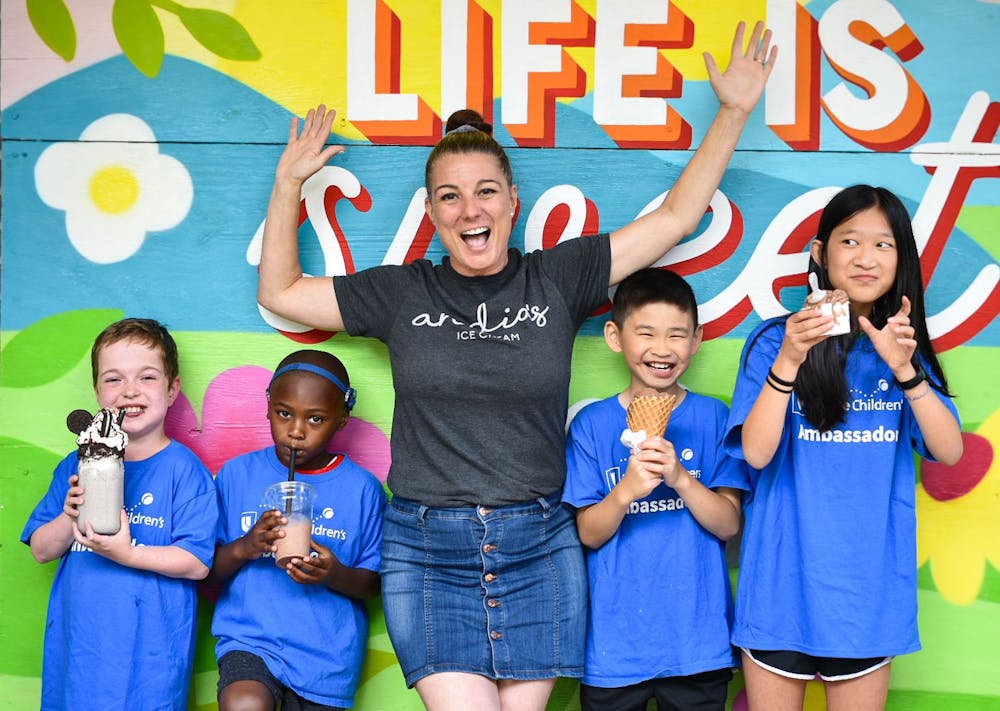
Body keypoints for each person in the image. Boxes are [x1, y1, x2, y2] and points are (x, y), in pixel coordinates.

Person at [257, 21, 775, 710]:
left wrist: (735, 111)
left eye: (485, 191)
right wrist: (288, 182)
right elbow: (281, 293)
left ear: (512, 202)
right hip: (428, 546)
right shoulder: (404, 290)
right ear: (434, 213)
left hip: (537, 543)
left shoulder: (558, 278)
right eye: (449, 195)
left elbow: (678, 216)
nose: (470, 209)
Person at [723, 185, 963, 711]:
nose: (865, 257)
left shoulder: (904, 349)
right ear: (819, 254)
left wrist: (904, 369)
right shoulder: (773, 342)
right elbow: (757, 454)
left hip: (865, 599)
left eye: (883, 244)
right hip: (781, 589)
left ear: (901, 259)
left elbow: (949, 451)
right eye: (849, 240)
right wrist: (789, 359)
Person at [563, 268, 747, 711]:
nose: (662, 350)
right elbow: (588, 533)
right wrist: (626, 490)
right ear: (615, 335)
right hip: (614, 647)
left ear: (697, 340)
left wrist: (681, 479)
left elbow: (729, 524)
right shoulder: (592, 425)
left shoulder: (713, 417)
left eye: (677, 335)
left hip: (697, 644)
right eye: (646, 333)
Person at [21, 318, 218, 710]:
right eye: (113, 380)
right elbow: (41, 549)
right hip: (80, 655)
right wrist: (68, 515)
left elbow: (197, 563)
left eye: (147, 377)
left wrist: (129, 555)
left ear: (172, 388)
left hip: (151, 660)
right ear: (97, 392)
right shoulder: (75, 464)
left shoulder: (185, 470)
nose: (129, 391)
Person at [208, 349, 386, 711]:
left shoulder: (362, 489)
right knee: (244, 703)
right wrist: (246, 546)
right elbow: (206, 570)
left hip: (327, 659)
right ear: (269, 406)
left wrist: (334, 575)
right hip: (250, 641)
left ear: (341, 420)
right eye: (284, 413)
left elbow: (374, 584)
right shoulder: (236, 475)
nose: (296, 431)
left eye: (316, 419)